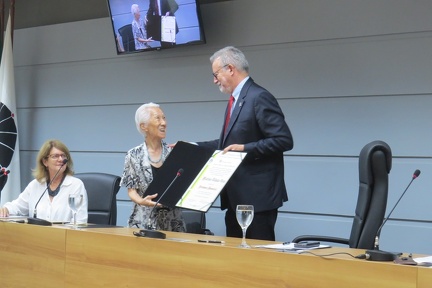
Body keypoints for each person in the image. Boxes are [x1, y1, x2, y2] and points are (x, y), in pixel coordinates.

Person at [196, 46, 294, 241]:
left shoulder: (259, 97)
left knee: (258, 260)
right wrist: (192, 146)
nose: (214, 80)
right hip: (235, 198)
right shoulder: (235, 99)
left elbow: (283, 140)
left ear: (230, 69)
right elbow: (228, 144)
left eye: (216, 74)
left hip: (257, 200)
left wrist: (246, 149)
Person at [120, 103, 185, 231]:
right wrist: (142, 201)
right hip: (143, 221)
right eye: (157, 118)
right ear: (144, 126)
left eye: (164, 118)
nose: (163, 123)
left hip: (173, 222)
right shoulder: (133, 155)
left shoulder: (175, 152)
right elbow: (131, 190)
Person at [0, 139, 88, 223]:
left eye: (63, 156)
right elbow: (17, 206)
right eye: (55, 156)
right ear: (45, 162)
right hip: (38, 236)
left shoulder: (76, 185)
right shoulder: (35, 185)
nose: (61, 159)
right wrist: (6, 209)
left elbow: (80, 221)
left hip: (65, 237)